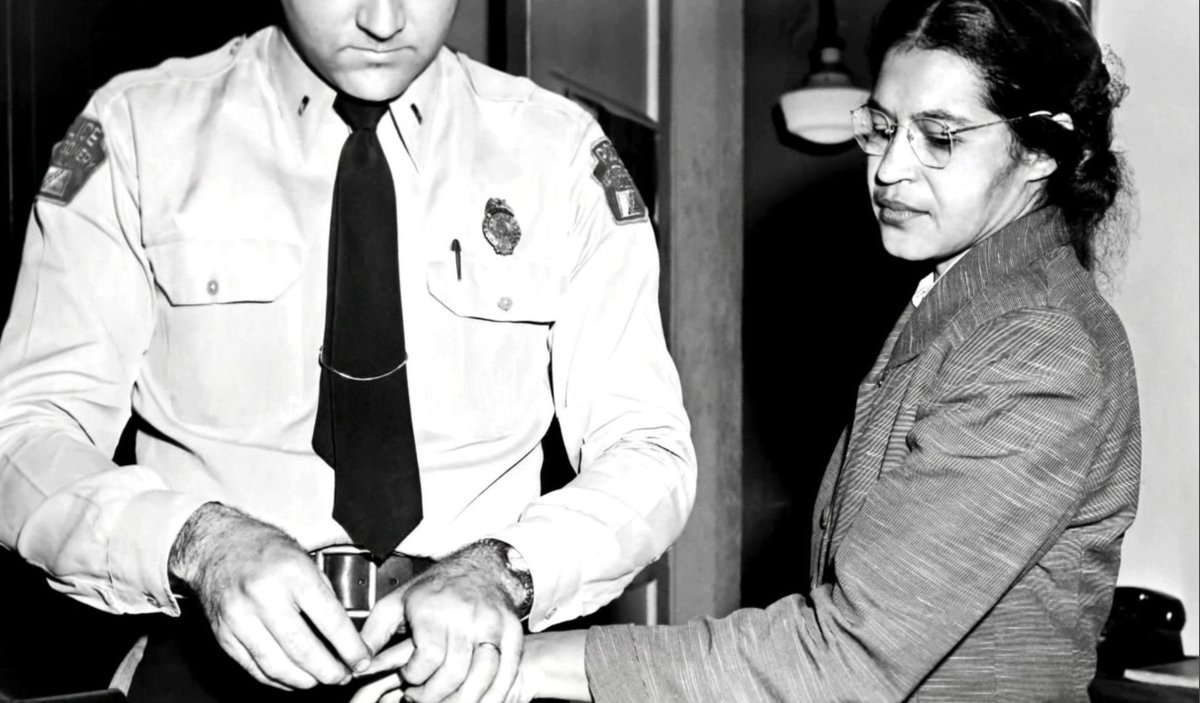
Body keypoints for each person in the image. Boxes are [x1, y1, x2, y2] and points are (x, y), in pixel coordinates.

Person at [381, 0, 1137, 701]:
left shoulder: (1037, 346)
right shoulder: (969, 301)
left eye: (939, 136)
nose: (889, 168)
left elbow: (850, 653)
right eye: (881, 126)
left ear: (1039, 151)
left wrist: (531, 661)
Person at [0, 1, 697, 702]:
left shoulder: (560, 153)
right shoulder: (139, 133)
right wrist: (198, 543)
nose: (385, 19)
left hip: (471, 676)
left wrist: (511, 569)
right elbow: (21, 436)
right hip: (205, 672)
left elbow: (648, 451)